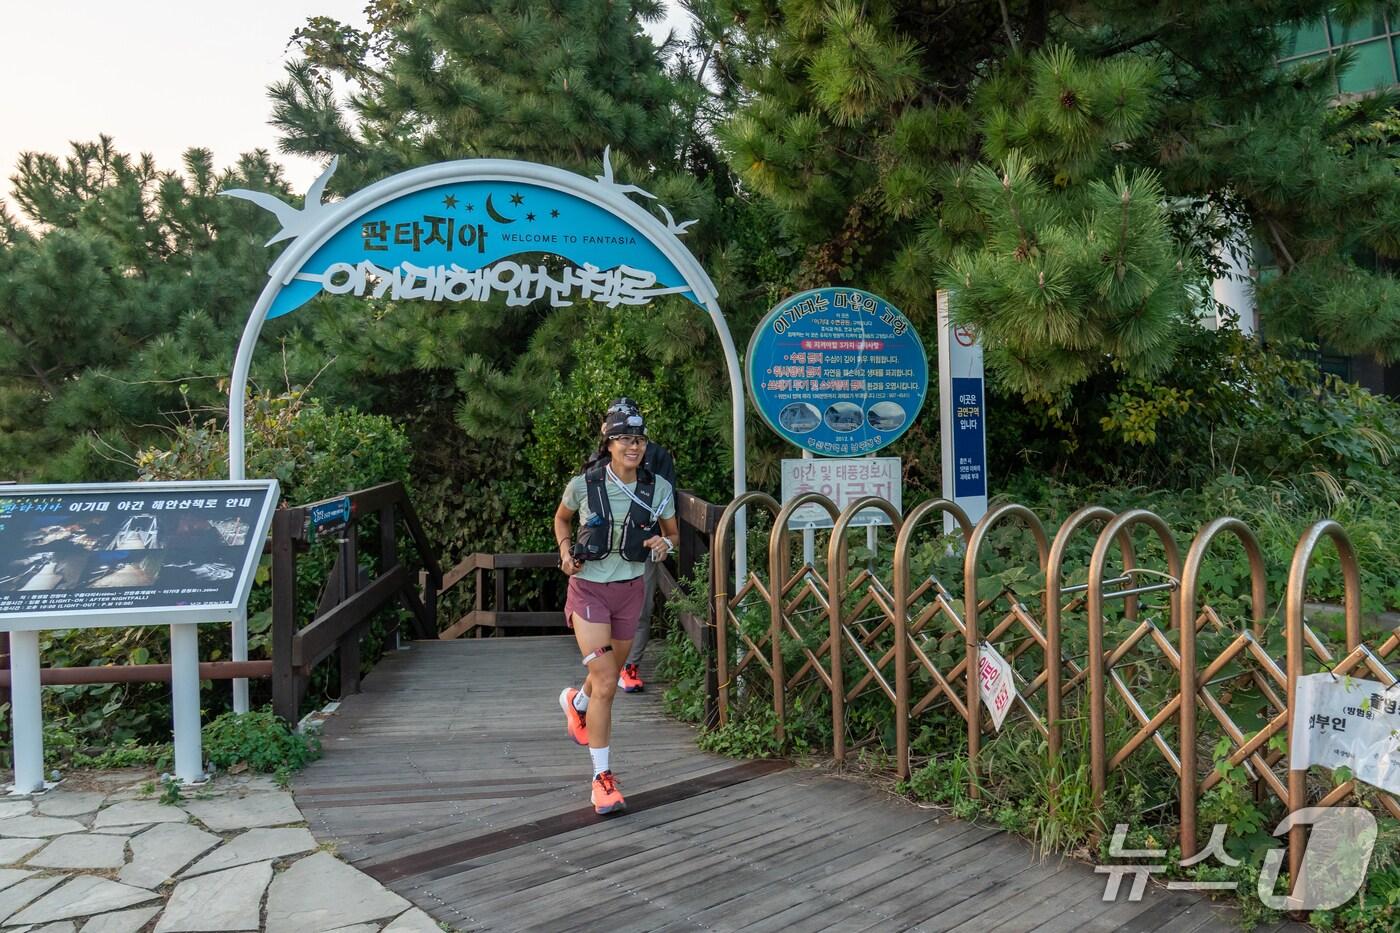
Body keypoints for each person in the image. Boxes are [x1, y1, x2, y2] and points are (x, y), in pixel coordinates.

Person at [554, 405, 679, 814]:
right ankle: (602, 780)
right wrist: (565, 551)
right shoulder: (583, 484)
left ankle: (578, 704)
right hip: (588, 589)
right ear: (608, 443)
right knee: (608, 681)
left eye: (640, 440)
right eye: (625, 438)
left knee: (601, 679)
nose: (634, 446)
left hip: (629, 590)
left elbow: (671, 533)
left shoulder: (657, 488)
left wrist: (665, 544)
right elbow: (562, 519)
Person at [605, 398, 676, 693]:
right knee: (604, 608)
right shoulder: (601, 458)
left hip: (643, 543)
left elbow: (667, 503)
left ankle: (630, 665)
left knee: (642, 607)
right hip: (606, 548)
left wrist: (665, 541)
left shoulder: (657, 455)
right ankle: (608, 665)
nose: (632, 445)